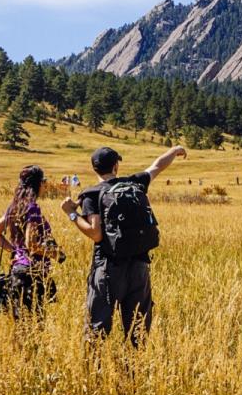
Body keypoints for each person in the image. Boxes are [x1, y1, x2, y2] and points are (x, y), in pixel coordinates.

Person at [61, 145, 186, 345]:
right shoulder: (134, 183)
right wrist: (174, 150)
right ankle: (133, 372)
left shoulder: (91, 194)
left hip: (108, 268)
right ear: (116, 166)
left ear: (94, 168)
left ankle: (96, 373)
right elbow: (157, 166)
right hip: (139, 266)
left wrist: (72, 214)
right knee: (137, 329)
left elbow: (95, 233)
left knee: (97, 331)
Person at [0, 165, 64, 319]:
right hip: (32, 274)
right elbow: (31, 244)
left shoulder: (14, 207)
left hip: (17, 270)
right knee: (34, 327)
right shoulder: (32, 209)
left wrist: (15, 251)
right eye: (43, 181)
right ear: (39, 184)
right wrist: (56, 253)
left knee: (22, 327)